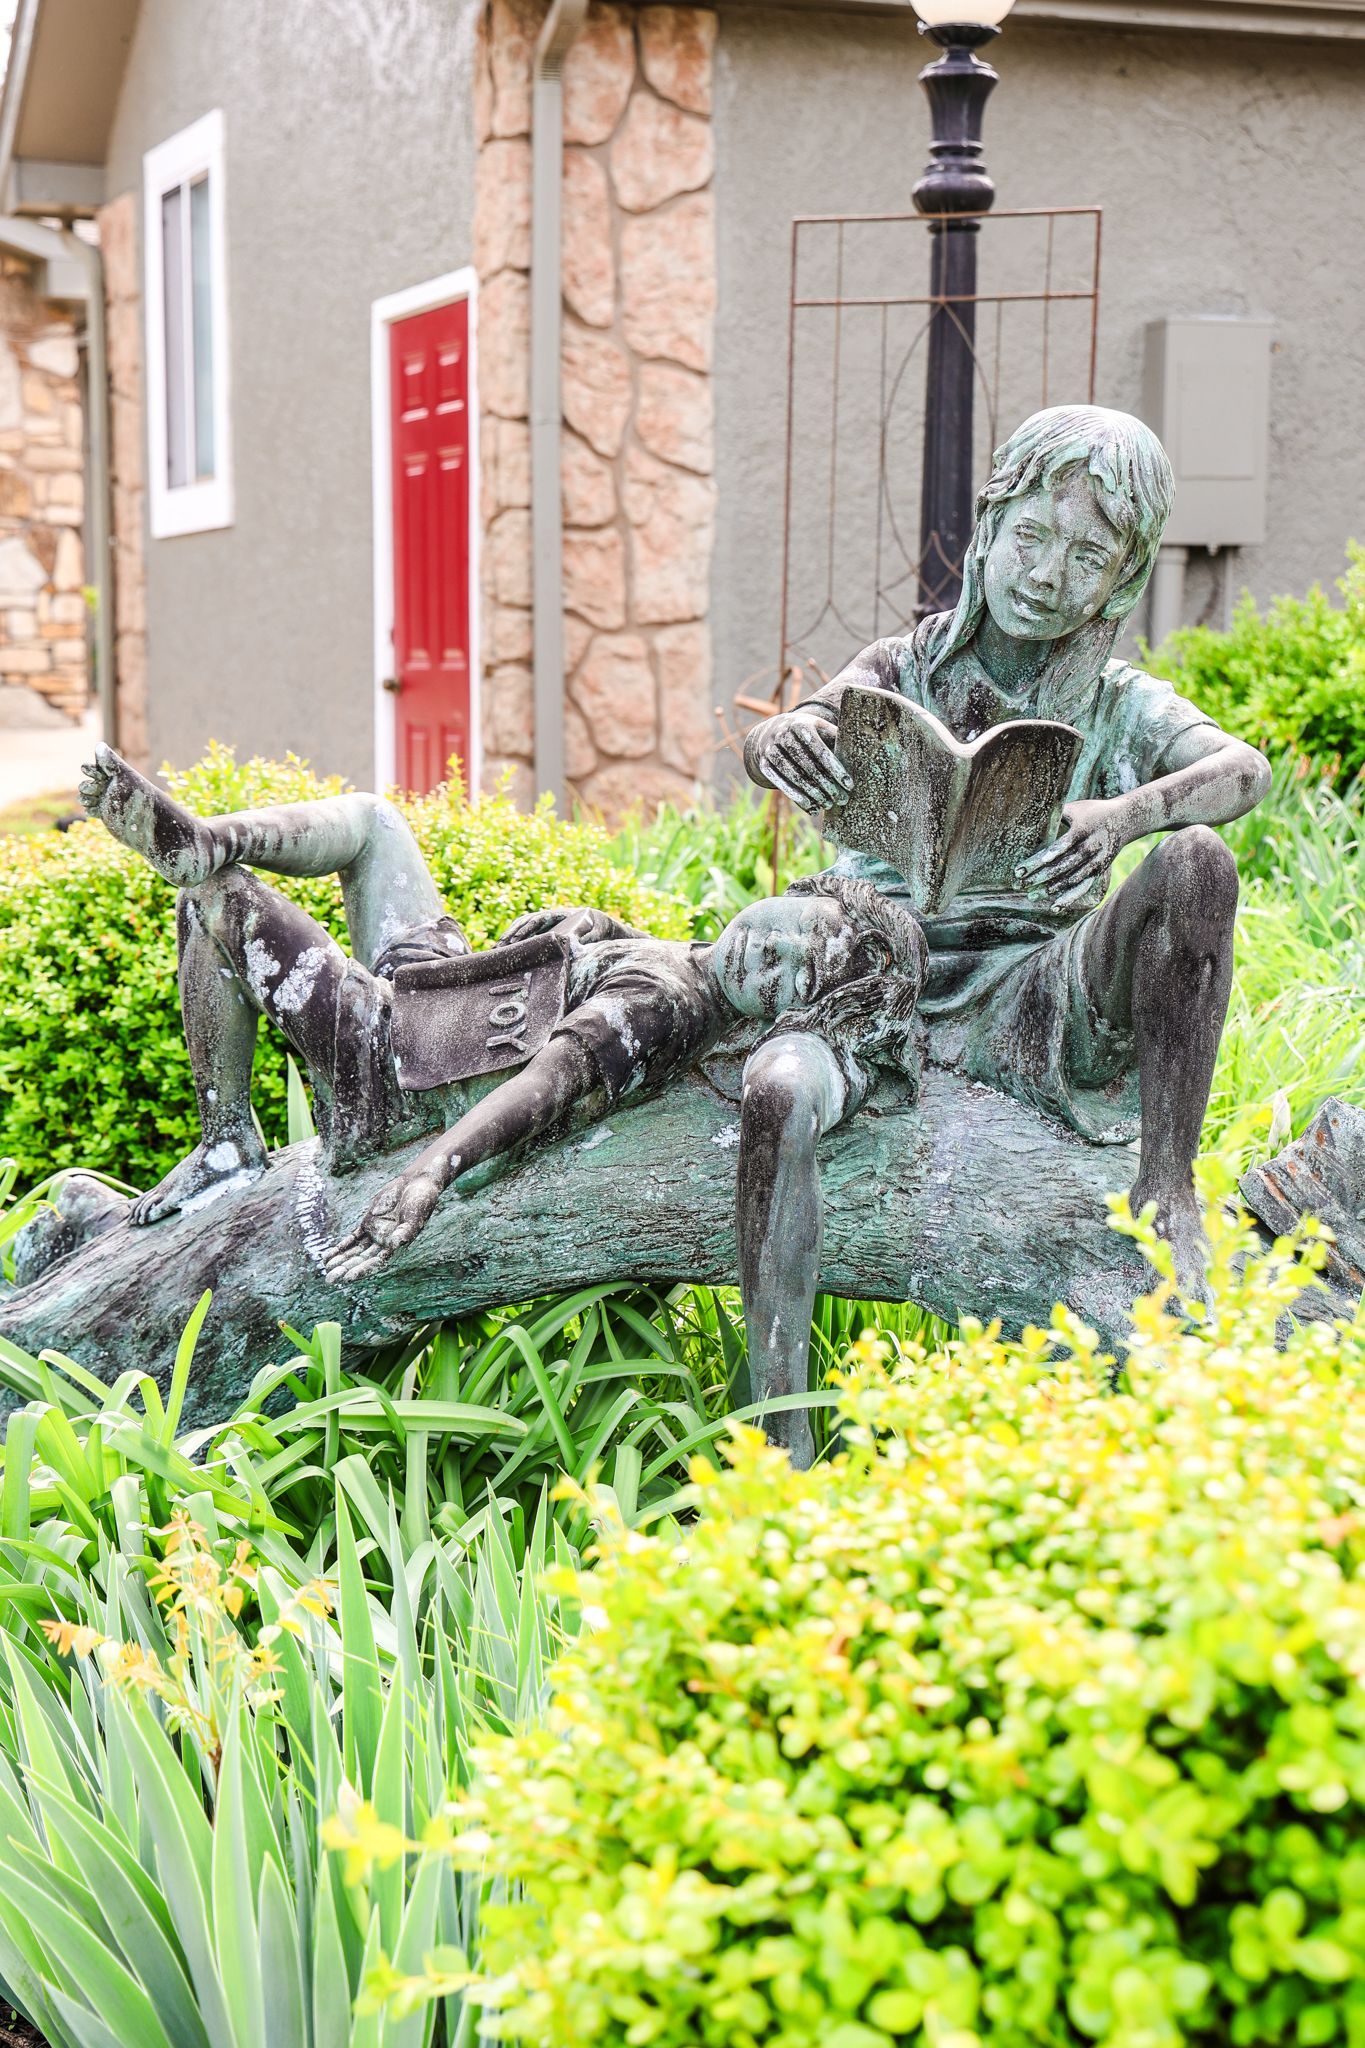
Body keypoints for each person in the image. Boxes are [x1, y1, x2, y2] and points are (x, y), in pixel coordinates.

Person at [78, 748, 926, 1464]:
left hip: (393, 1068)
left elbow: (553, 1081)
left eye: (787, 979)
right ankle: (211, 836)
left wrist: (430, 1170)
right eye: (787, 929)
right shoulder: (685, 958)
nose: (764, 955)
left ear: (785, 1018)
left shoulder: (667, 1006)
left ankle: (226, 1134)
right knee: (375, 824)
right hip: (440, 990)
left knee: (221, 900)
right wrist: (592, 927)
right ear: (795, 892)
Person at [745, 404, 1271, 1297]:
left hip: (1032, 986)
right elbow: (792, 733)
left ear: (1118, 584)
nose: (1045, 575)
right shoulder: (899, 664)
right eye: (1029, 536)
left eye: (1087, 559)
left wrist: (1121, 818)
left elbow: (1244, 772)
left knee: (1196, 863)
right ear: (987, 528)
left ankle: (1167, 1184)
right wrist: (783, 740)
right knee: (778, 1065)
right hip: (874, 962)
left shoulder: (1117, 703)